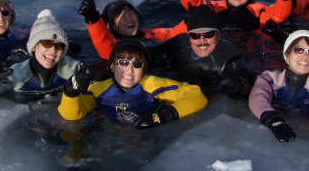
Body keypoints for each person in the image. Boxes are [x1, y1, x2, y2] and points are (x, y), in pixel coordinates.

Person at [59, 38, 207, 129]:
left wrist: (162, 117)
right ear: (112, 66)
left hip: (146, 141)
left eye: (137, 65)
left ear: (144, 70)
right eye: (123, 63)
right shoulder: (98, 90)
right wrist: (70, 92)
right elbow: (72, 117)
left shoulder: (154, 86)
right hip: (109, 142)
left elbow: (196, 94)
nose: (129, 71)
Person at [0, 9, 87, 103]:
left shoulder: (74, 69)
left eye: (60, 46)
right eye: (47, 43)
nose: (53, 50)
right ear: (34, 46)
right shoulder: (15, 75)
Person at [249, 31, 309, 143]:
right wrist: (272, 119)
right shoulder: (270, 78)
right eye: (299, 50)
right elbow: (258, 96)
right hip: (273, 126)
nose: (305, 56)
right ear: (287, 56)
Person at [147, 4, 254, 94]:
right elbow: (148, 55)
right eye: (195, 36)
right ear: (189, 37)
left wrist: (235, 86)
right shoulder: (178, 44)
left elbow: (248, 85)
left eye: (209, 34)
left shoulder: (231, 57)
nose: (202, 40)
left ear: (218, 36)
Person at [77, 0, 188, 59]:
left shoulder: (147, 34)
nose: (129, 18)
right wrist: (93, 19)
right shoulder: (116, 47)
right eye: (123, 16)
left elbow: (171, 34)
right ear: (114, 26)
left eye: (131, 13)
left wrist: (191, 20)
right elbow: (106, 49)